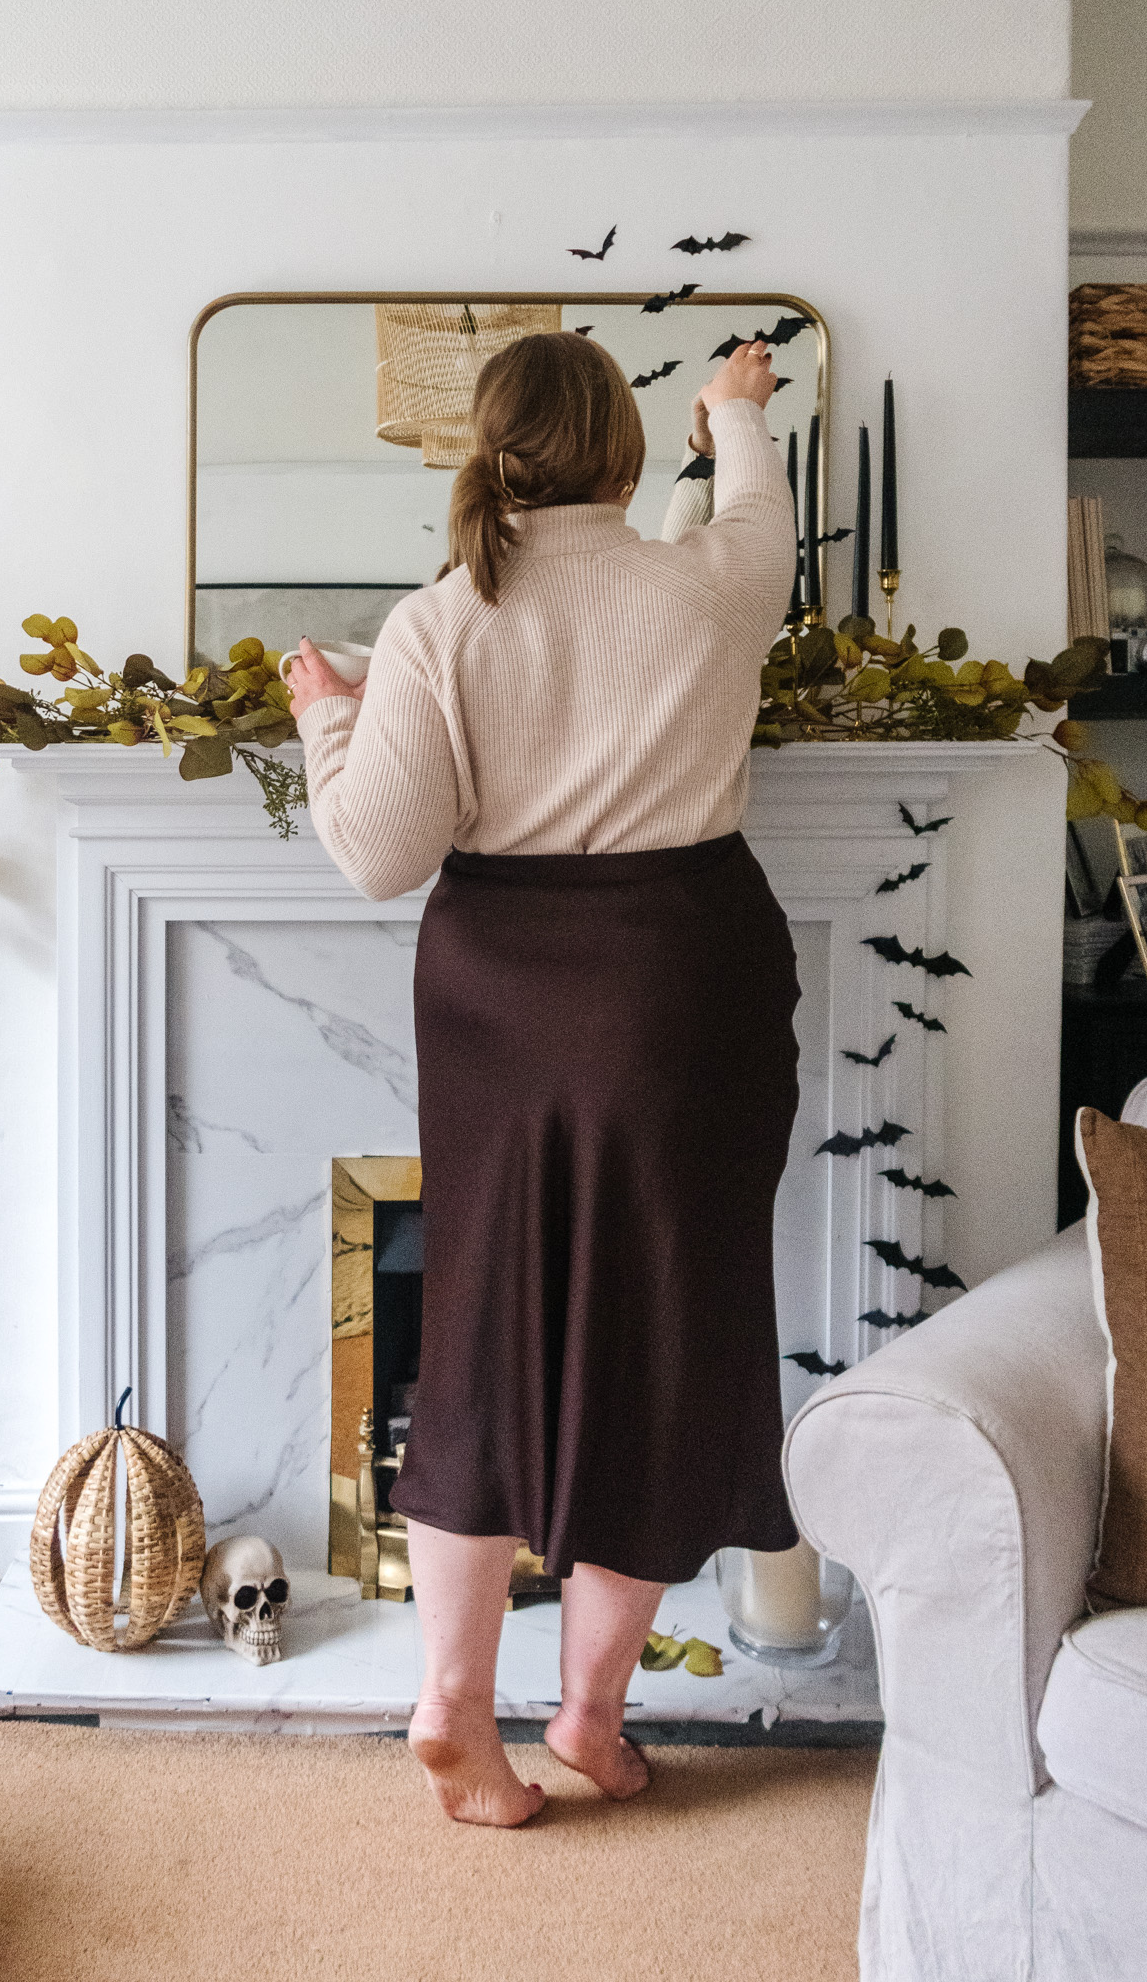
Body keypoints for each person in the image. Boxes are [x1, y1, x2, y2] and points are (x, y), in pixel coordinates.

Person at [283, 329, 800, 1826]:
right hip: (679, 979)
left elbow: (381, 852)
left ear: (486, 450)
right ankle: (588, 1714)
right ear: (624, 453)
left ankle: (453, 1696)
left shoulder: (445, 617)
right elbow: (750, 512)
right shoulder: (712, 579)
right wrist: (737, 410)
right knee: (667, 1323)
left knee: (483, 1319)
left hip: (498, 996)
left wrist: (334, 713)